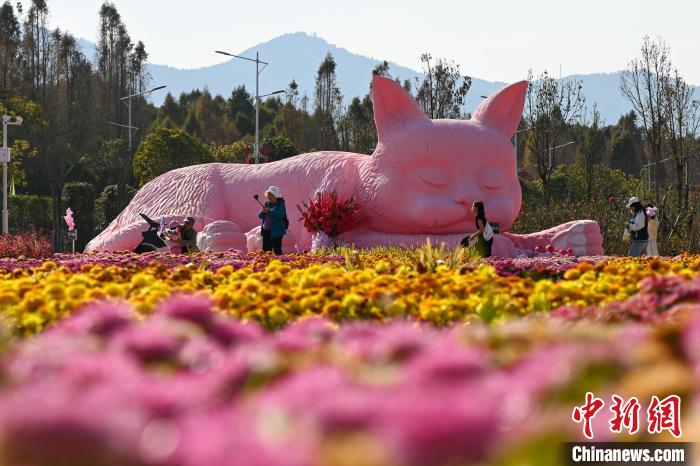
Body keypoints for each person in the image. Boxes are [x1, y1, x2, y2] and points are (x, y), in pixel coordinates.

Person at [258, 186, 287, 255]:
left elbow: (281, 214)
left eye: (270, 195)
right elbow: (260, 216)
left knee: (277, 250)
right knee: (266, 250)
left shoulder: (281, 204)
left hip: (276, 231)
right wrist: (263, 212)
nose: (269, 197)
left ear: (275, 196)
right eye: (268, 195)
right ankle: (266, 264)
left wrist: (269, 211)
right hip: (266, 230)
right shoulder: (267, 204)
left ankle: (280, 264)